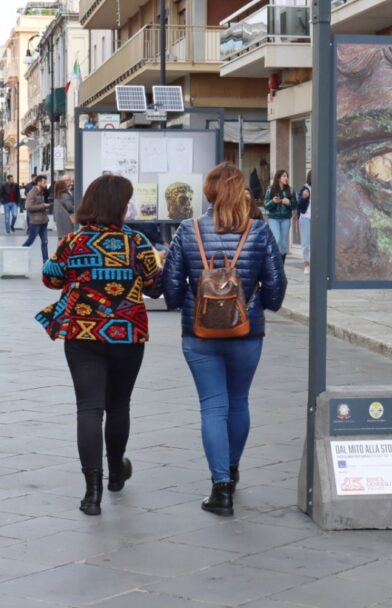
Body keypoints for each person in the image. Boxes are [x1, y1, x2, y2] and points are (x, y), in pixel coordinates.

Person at [162, 163, 287, 517]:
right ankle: (231, 471)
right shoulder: (260, 232)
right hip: (247, 331)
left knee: (212, 405)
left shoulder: (188, 230)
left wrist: (190, 297)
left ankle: (220, 489)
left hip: (198, 333)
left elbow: (171, 290)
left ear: (209, 192)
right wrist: (256, 301)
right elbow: (276, 291)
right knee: (239, 400)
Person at [37, 174, 163, 516]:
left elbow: (50, 278)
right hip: (127, 335)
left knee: (88, 408)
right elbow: (154, 285)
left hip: (82, 336)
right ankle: (116, 472)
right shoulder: (136, 242)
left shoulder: (72, 242)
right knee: (119, 404)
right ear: (120, 207)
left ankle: (92, 492)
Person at [262, 169, 294, 264]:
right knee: (277, 240)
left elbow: (296, 205)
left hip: (286, 219)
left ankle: (281, 265)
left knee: (283, 244)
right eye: (284, 176)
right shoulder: (270, 189)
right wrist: (273, 202)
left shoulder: (290, 190)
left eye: (287, 176)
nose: (286, 178)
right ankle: (275, 263)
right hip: (274, 219)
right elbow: (266, 205)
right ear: (279, 178)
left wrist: (289, 203)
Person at [22, 175, 50, 260]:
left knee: (45, 242)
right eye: (44, 182)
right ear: (39, 182)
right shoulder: (32, 193)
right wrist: (43, 206)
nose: (46, 184)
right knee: (30, 241)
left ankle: (46, 262)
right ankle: (19, 253)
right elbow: (28, 207)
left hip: (43, 221)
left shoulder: (42, 192)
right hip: (35, 222)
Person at [297, 172, 312, 275]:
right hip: (305, 218)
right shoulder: (304, 188)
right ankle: (306, 264)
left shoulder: (321, 188)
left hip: (317, 219)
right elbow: (300, 206)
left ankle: (315, 264)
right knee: (305, 243)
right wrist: (304, 197)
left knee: (316, 244)